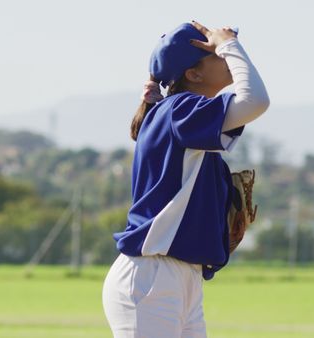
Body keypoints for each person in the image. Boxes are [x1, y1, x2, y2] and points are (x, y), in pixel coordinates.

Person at [102, 21, 270, 337]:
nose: (224, 55)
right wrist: (230, 46)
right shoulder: (182, 110)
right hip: (151, 277)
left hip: (179, 277)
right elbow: (255, 101)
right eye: (215, 54)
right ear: (193, 74)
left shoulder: (179, 114)